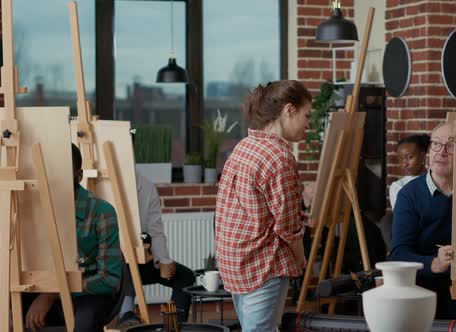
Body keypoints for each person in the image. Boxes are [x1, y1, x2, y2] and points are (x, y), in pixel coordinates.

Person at [215, 80, 311, 332]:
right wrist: (302, 258)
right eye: (306, 115)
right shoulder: (279, 156)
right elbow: (288, 226)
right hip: (262, 262)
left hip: (234, 260)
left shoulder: (244, 146)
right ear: (289, 110)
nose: (308, 123)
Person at [389, 123, 456, 332]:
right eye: (436, 144)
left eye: (451, 145)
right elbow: (398, 253)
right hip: (423, 287)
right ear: (428, 151)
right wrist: (434, 263)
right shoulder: (410, 195)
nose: (441, 152)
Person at [24, 144, 122, 331]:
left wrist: (52, 294)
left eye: (62, 171)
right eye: (49, 171)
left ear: (79, 175)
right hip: (42, 288)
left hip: (88, 292)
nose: (54, 178)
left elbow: (110, 280)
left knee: (83, 325)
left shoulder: (102, 212)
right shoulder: (29, 209)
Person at [117, 170, 196, 326]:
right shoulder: (98, 183)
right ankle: (126, 315)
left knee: (185, 277)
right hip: (112, 264)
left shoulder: (146, 186)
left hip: (141, 258)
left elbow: (155, 230)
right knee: (124, 262)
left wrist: (162, 259)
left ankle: (173, 326)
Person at [389, 134, 429, 209]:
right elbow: (402, 217)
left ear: (423, 156)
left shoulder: (436, 180)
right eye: (400, 159)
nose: (404, 164)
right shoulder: (398, 186)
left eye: (409, 157)